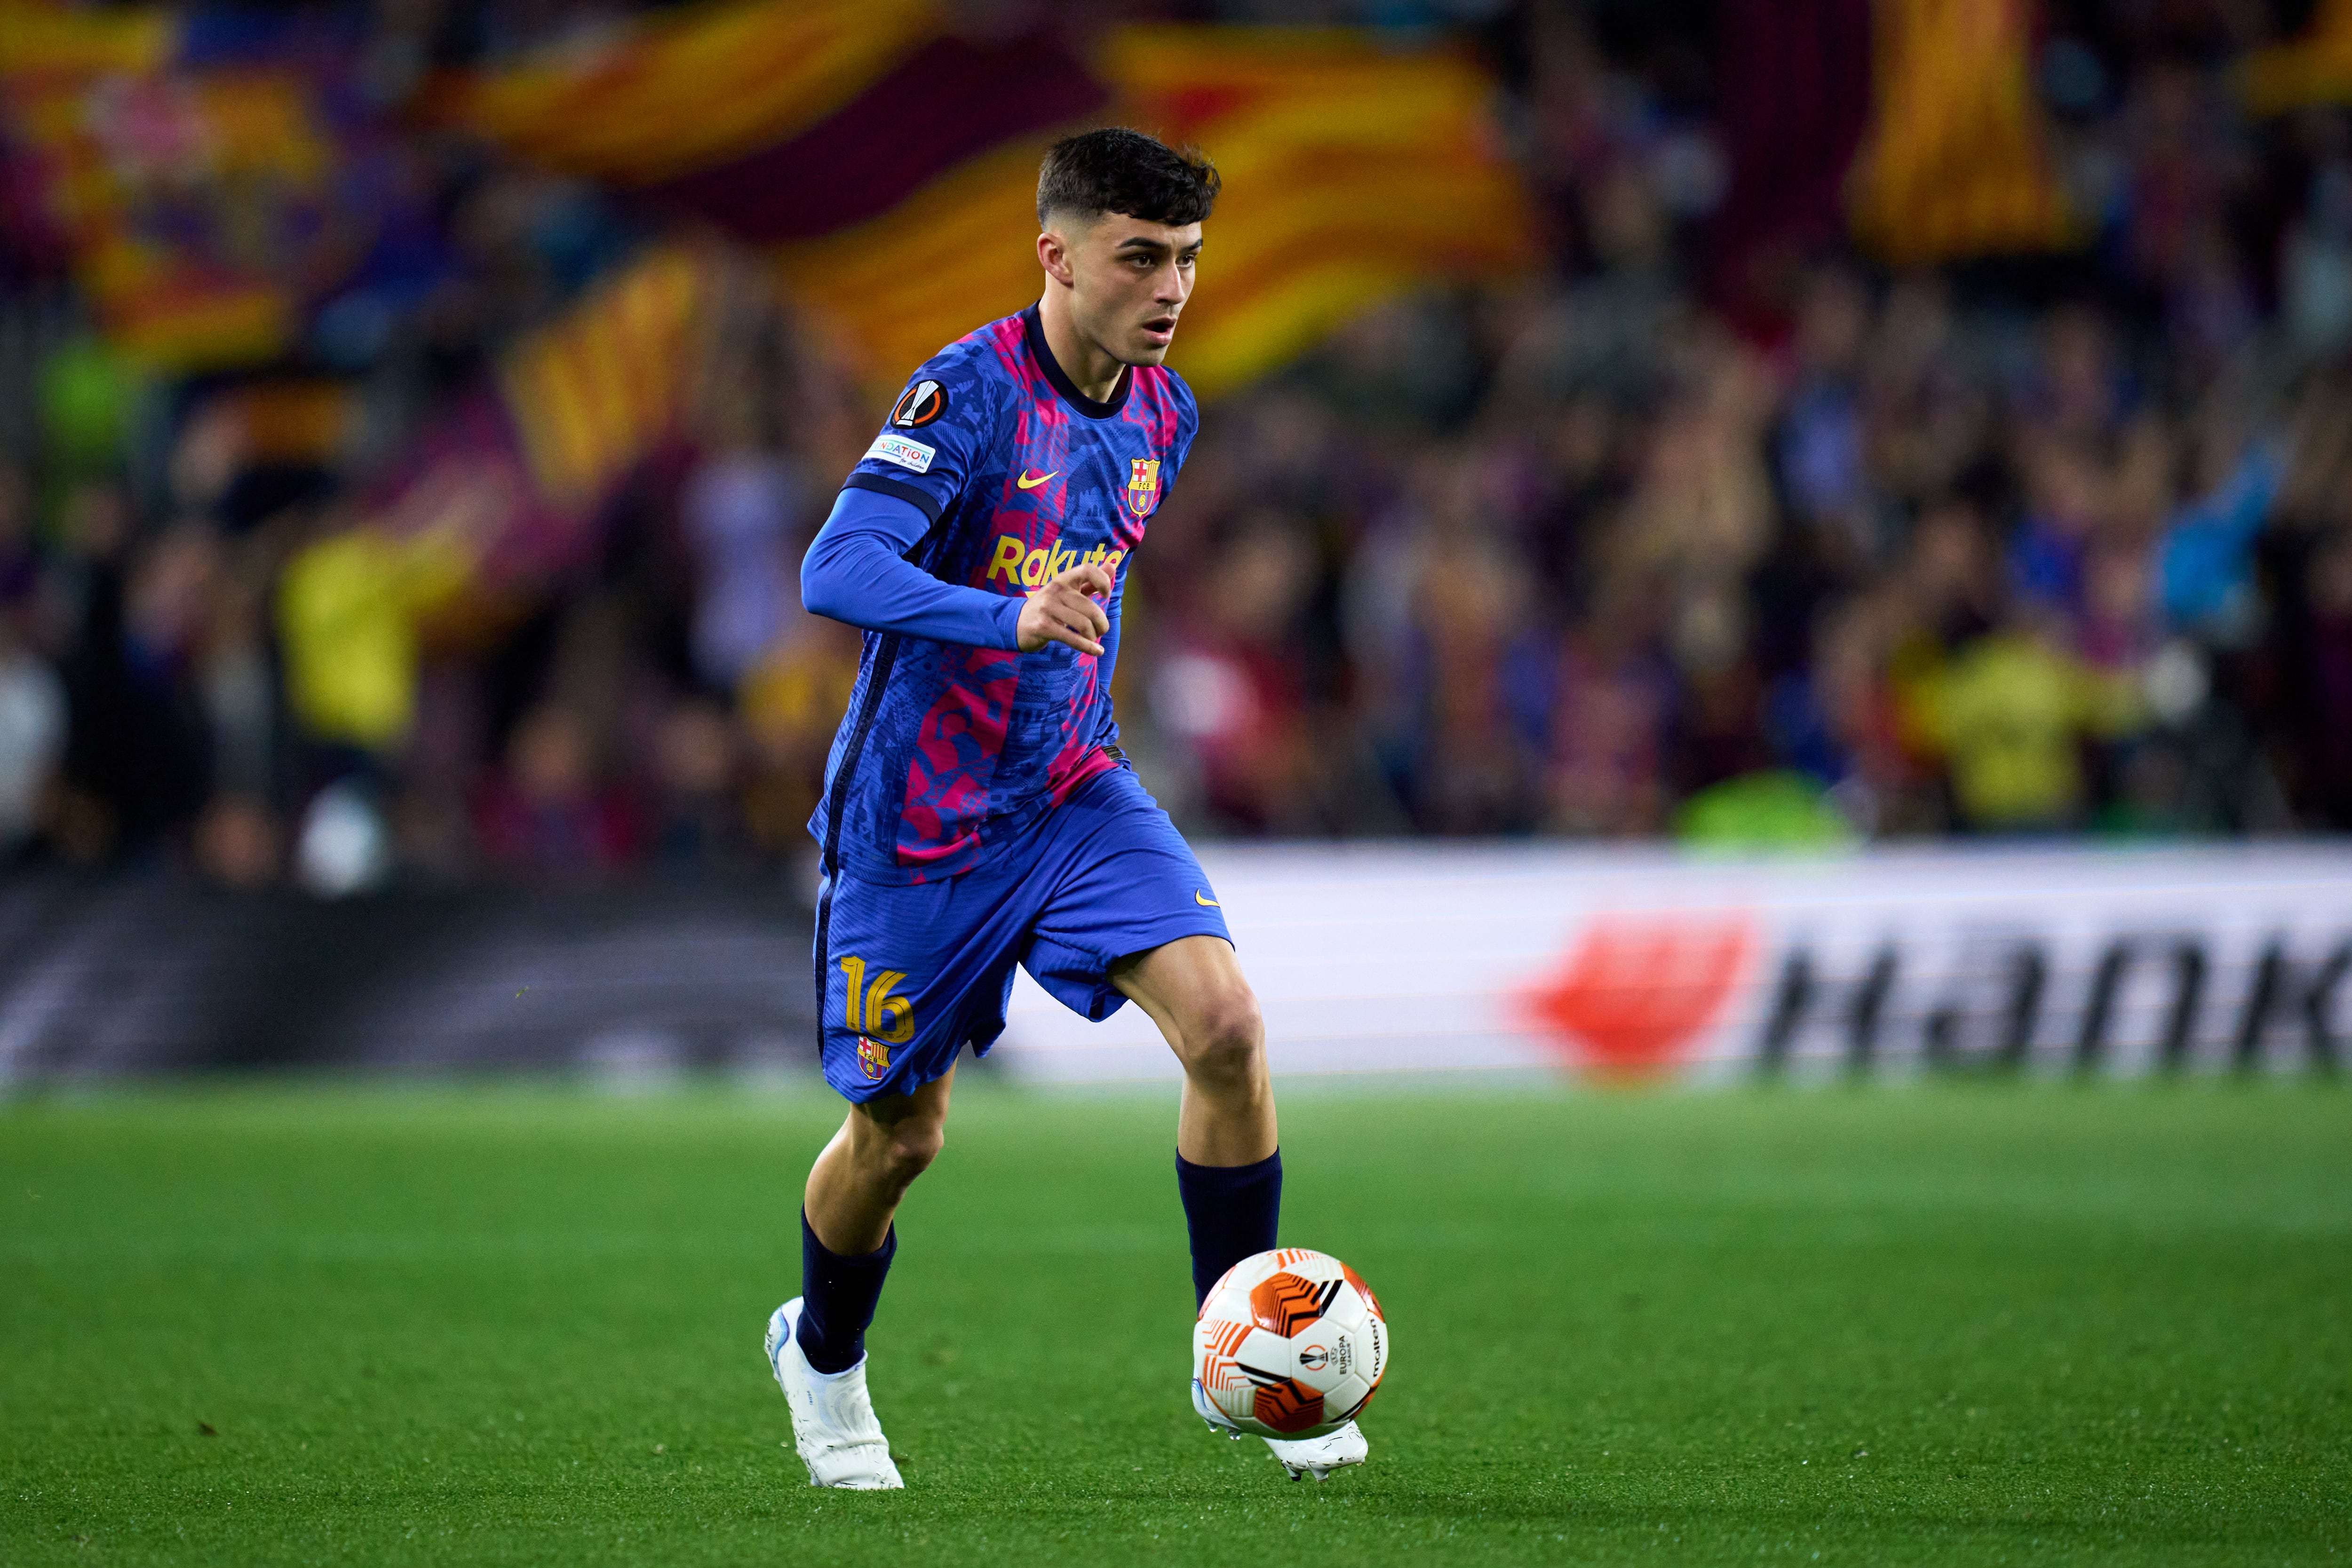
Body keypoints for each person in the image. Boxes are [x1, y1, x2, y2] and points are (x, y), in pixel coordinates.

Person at [765, 128, 1364, 1488]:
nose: (1171, 289)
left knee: (1226, 1028)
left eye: (1189, 261)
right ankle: (825, 1357)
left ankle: (1244, 1359)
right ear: (1058, 254)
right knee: (897, 1140)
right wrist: (1003, 614)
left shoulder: (1167, 411)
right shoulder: (962, 396)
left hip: (1074, 791)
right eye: (1140, 257)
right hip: (915, 834)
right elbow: (835, 564)